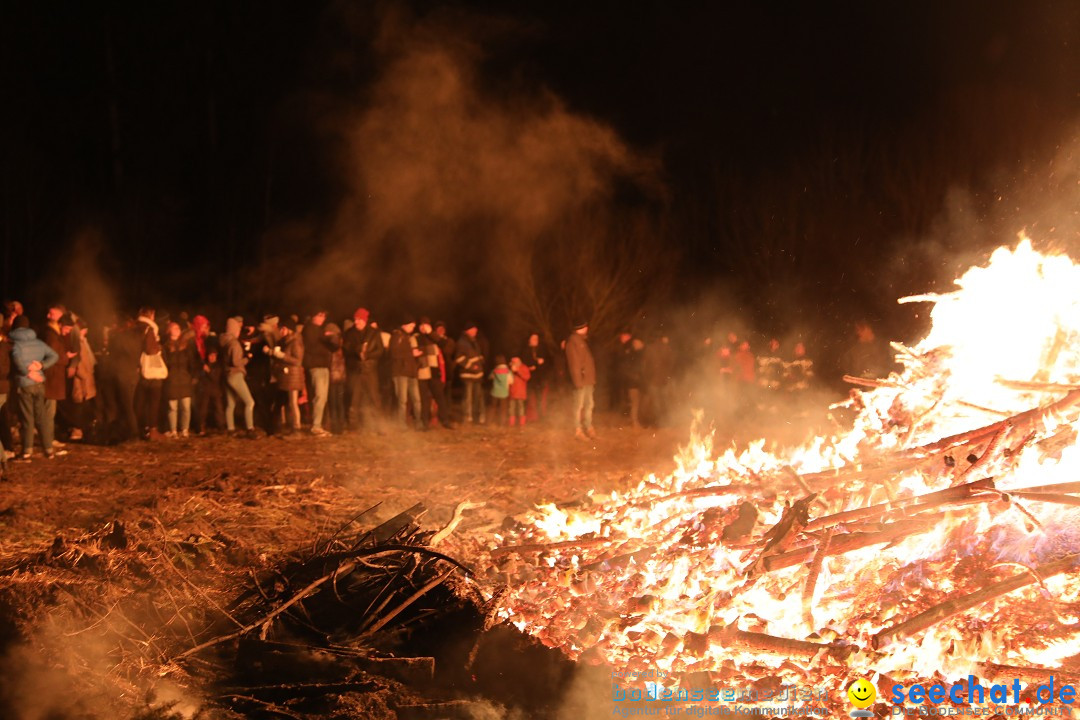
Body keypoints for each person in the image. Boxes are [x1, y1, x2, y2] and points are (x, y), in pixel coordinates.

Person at [10, 316, 61, 459]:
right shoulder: (38, 343)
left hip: (25, 384)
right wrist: (42, 365)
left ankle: (27, 451)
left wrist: (28, 373)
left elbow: (17, 360)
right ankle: (48, 449)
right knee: (41, 416)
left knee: (27, 417)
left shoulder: (16, 344)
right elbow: (55, 356)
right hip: (40, 383)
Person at [343, 308, 384, 432]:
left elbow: (380, 350)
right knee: (354, 399)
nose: (356, 322)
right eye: (355, 319)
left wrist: (367, 355)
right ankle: (353, 426)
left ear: (365, 320)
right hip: (356, 370)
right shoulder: (350, 333)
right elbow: (346, 349)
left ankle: (379, 426)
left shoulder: (374, 333)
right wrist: (357, 350)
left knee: (374, 398)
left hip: (370, 370)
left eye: (359, 319)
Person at [221, 315, 257, 438]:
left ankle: (230, 429)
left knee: (230, 404)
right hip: (235, 375)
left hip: (226, 375)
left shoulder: (224, 341)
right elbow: (236, 362)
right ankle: (250, 429)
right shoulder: (234, 343)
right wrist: (247, 358)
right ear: (235, 329)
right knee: (249, 402)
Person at [134, 307, 166, 440]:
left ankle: (138, 428)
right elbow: (151, 349)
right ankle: (153, 430)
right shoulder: (150, 328)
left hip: (137, 368)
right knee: (153, 400)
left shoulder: (135, 327)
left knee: (140, 401)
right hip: (150, 370)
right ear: (150, 315)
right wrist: (159, 347)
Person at [41, 304, 71, 443]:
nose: (47, 316)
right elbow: (54, 355)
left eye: (51, 314)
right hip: (51, 377)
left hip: (53, 377)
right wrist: (66, 358)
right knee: (49, 411)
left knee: (50, 410)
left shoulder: (55, 333)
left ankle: (48, 438)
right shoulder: (50, 334)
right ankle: (47, 440)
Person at [269, 318, 304, 435]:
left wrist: (282, 356)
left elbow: (298, 360)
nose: (280, 331)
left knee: (293, 402)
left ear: (288, 329)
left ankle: (297, 427)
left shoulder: (295, 342)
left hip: (294, 376)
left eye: (282, 328)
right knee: (289, 403)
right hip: (287, 376)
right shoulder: (285, 341)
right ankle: (291, 425)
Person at [163, 321, 197, 438]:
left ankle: (185, 429)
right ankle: (173, 430)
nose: (178, 330)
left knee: (186, 406)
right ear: (169, 331)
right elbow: (165, 362)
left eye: (178, 327)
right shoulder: (166, 346)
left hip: (184, 378)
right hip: (172, 379)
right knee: (173, 407)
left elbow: (191, 361)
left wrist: (192, 375)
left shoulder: (185, 345)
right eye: (175, 328)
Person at [417, 318, 452, 429]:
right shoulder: (416, 337)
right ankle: (424, 423)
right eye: (422, 325)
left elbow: (443, 343)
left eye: (426, 325)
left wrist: (431, 333)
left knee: (440, 397)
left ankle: (445, 421)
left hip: (434, 371)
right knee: (424, 399)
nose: (424, 328)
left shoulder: (434, 337)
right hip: (422, 371)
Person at [565, 320, 597, 440]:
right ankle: (577, 430)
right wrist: (577, 381)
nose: (587, 328)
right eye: (585, 327)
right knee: (579, 405)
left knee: (589, 404)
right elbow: (574, 364)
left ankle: (588, 427)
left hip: (588, 380)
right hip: (581, 381)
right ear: (581, 328)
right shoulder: (573, 342)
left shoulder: (582, 341)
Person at [302, 310, 332, 435]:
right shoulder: (309, 329)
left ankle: (317, 424)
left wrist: (330, 339)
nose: (322, 318)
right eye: (320, 315)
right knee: (319, 395)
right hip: (315, 366)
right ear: (313, 316)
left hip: (324, 366)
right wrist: (326, 337)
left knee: (323, 397)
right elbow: (314, 345)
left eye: (324, 316)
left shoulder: (320, 330)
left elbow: (330, 347)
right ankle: (315, 426)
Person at [389, 318, 423, 429]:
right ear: (404, 325)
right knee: (402, 400)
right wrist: (411, 353)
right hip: (400, 373)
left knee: (417, 399)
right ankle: (401, 424)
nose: (413, 328)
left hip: (412, 372)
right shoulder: (396, 336)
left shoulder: (409, 337)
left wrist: (416, 358)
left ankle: (418, 422)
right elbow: (394, 353)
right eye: (411, 326)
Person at [70, 319, 98, 440]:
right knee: (79, 405)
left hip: (87, 378)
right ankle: (77, 430)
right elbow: (78, 364)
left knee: (84, 404)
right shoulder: (78, 343)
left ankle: (83, 428)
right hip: (81, 380)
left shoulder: (82, 342)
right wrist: (84, 376)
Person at [456, 323, 485, 424]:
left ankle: (476, 418)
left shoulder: (474, 342)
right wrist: (471, 366)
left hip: (477, 375)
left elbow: (475, 355)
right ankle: (467, 418)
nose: (475, 331)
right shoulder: (462, 342)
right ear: (467, 330)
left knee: (478, 397)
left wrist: (480, 360)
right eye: (473, 329)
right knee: (467, 397)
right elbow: (459, 359)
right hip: (468, 374)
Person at [325, 322, 346, 434]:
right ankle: (340, 427)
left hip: (333, 376)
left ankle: (335, 427)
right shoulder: (341, 342)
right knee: (339, 402)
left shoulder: (331, 343)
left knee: (333, 402)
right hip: (341, 376)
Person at [522, 333, 548, 422]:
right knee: (527, 397)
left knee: (539, 398)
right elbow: (523, 362)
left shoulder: (542, 350)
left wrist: (541, 362)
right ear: (529, 340)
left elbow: (546, 362)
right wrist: (528, 367)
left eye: (536, 338)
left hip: (539, 379)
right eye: (533, 338)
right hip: (528, 378)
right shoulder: (525, 350)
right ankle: (525, 417)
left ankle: (541, 417)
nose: (535, 340)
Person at [489, 355, 512, 426]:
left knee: (492, 407)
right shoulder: (508, 371)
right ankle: (502, 423)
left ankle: (488, 422)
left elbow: (490, 377)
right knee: (503, 409)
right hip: (504, 393)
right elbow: (511, 381)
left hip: (494, 392)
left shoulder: (494, 371)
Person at [508, 356, 531, 427]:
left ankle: (522, 424)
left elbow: (527, 377)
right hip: (512, 392)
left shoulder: (524, 368)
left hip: (520, 392)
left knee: (521, 408)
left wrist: (518, 371)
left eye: (515, 362)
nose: (513, 364)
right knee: (511, 408)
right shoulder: (510, 369)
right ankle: (511, 424)